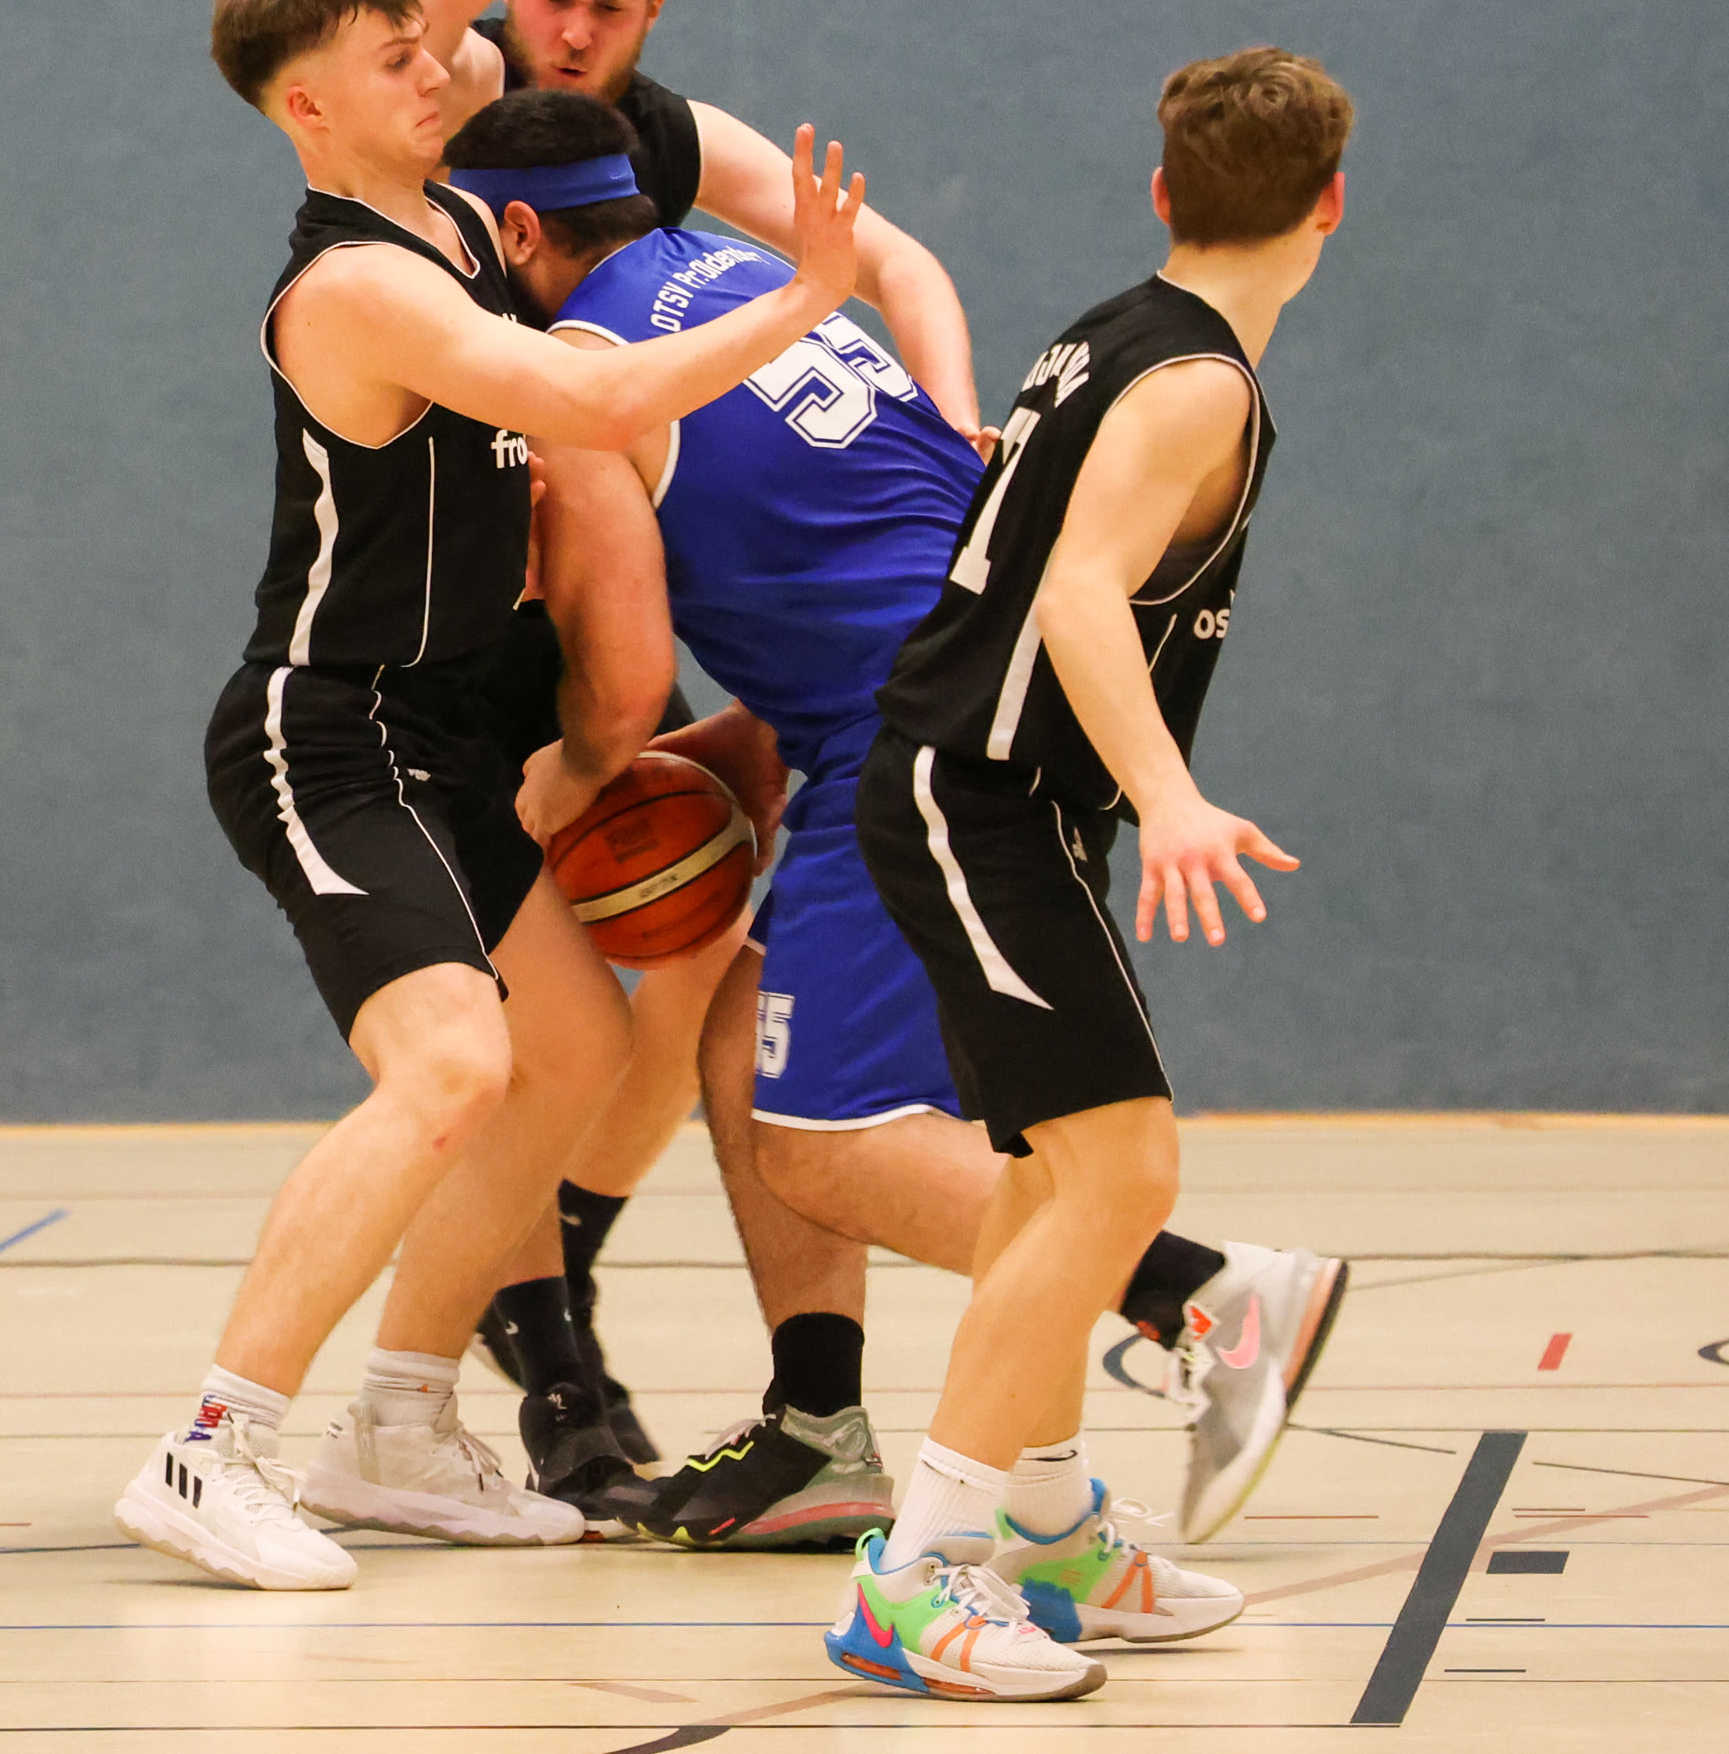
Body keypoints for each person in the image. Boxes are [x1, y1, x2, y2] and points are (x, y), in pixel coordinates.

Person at [438, 88, 1345, 1580]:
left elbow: (628, 674)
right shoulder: (737, 274)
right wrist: (749, 745)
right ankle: (823, 1429)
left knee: (826, 1150)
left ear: (518, 233)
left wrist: (566, 787)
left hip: (912, 743)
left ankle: (1203, 1295)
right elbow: (843, 534)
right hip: (955, 694)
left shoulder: (583, 375)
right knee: (747, 1044)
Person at [110, 0, 867, 1590]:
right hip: (329, 735)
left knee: (573, 1047)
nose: (444, 68)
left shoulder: (453, 222)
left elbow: (432, 59)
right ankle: (213, 1445)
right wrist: (806, 299)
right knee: (452, 1064)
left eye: (429, 46)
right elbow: (580, 406)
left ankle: (398, 1424)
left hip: (445, 735)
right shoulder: (357, 286)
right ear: (310, 111)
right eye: (397, 60)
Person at [423, 0, 990, 1456]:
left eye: (609, 7)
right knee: (543, 1007)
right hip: (516, 595)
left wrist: (951, 412)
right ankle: (572, 1356)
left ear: (652, 9)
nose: (575, 30)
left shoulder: (658, 158)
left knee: (695, 962)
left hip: (652, 575)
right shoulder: (443, 97)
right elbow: (351, 73)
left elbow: (900, 262)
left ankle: (573, 1262)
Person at [835, 46, 1353, 1698]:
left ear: (1162, 193)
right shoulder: (1198, 385)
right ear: (1332, 207)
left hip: (1004, 799)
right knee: (1125, 1173)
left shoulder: (1116, 328)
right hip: (980, 798)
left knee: (1054, 1180)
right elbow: (1073, 594)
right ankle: (914, 1578)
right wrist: (1174, 797)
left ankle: (1050, 1531)